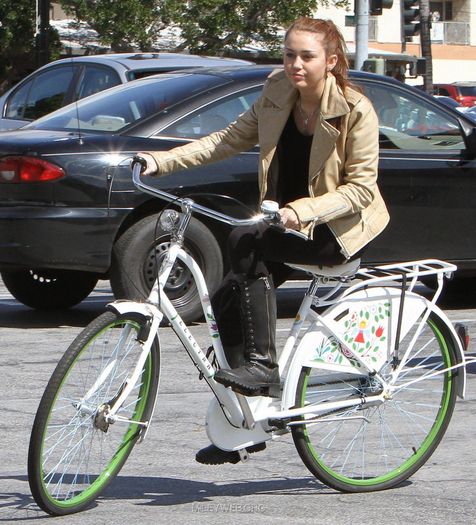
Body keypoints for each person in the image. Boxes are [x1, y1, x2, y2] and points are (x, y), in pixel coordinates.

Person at [138, 17, 390, 464]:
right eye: (289, 53)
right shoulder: (277, 93)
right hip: (284, 222)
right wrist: (162, 161)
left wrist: (302, 211)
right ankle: (246, 419)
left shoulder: (355, 110)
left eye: (306, 56)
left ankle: (263, 366)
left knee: (247, 243)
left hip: (336, 230)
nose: (295, 63)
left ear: (331, 61)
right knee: (227, 296)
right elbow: (226, 140)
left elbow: (361, 190)